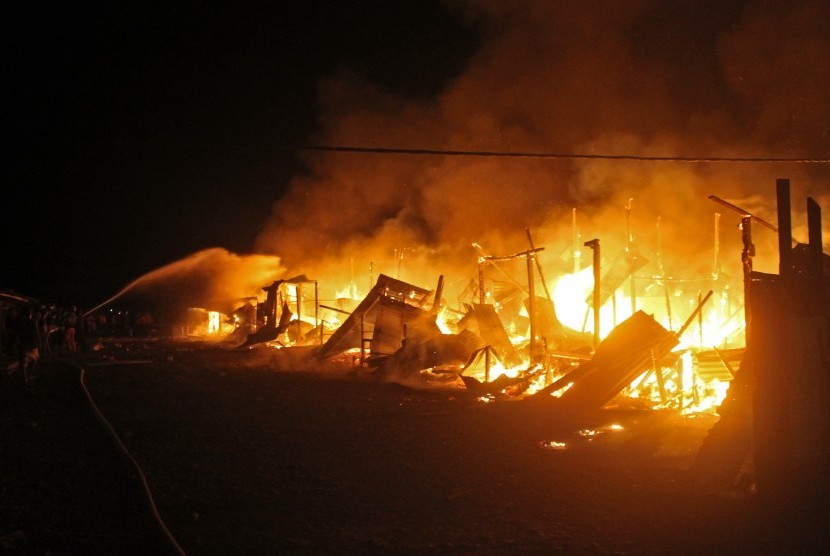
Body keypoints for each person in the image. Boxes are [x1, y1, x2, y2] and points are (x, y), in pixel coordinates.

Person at [18, 306, 41, 385]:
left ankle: (27, 377)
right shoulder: (31, 322)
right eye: (30, 311)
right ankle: (25, 379)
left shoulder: (24, 320)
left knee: (29, 360)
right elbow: (36, 333)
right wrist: (39, 341)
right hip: (28, 343)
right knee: (25, 361)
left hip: (28, 342)